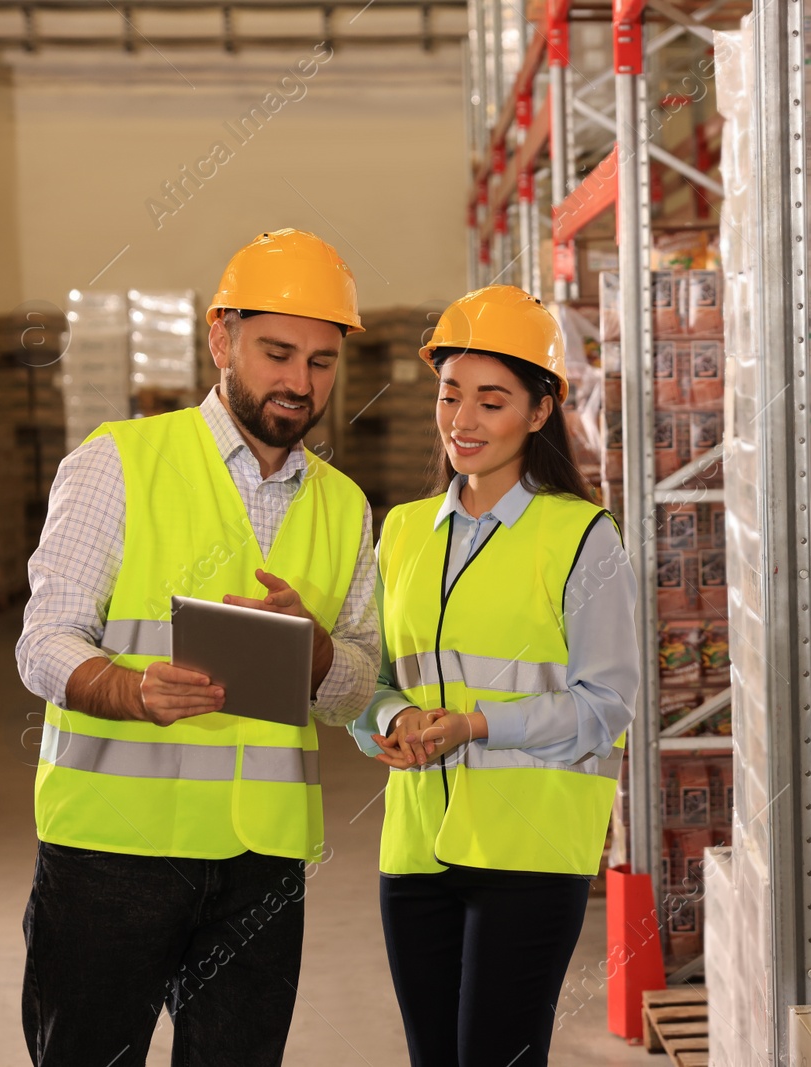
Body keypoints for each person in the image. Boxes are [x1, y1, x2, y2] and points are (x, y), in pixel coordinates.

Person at [15, 228, 380, 1066]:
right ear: (221, 338)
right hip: (115, 855)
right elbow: (43, 642)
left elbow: (358, 686)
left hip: (262, 862)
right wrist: (128, 689)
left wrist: (321, 655)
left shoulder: (344, 506)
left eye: (321, 362)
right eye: (276, 352)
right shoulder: (118, 463)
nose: (298, 381)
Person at [349, 285, 640, 1067]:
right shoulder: (403, 532)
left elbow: (606, 706)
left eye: (491, 400)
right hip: (415, 851)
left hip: (531, 852)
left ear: (540, 411)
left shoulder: (583, 537)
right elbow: (369, 685)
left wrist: (477, 724)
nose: (463, 421)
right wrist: (387, 722)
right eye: (451, 396)